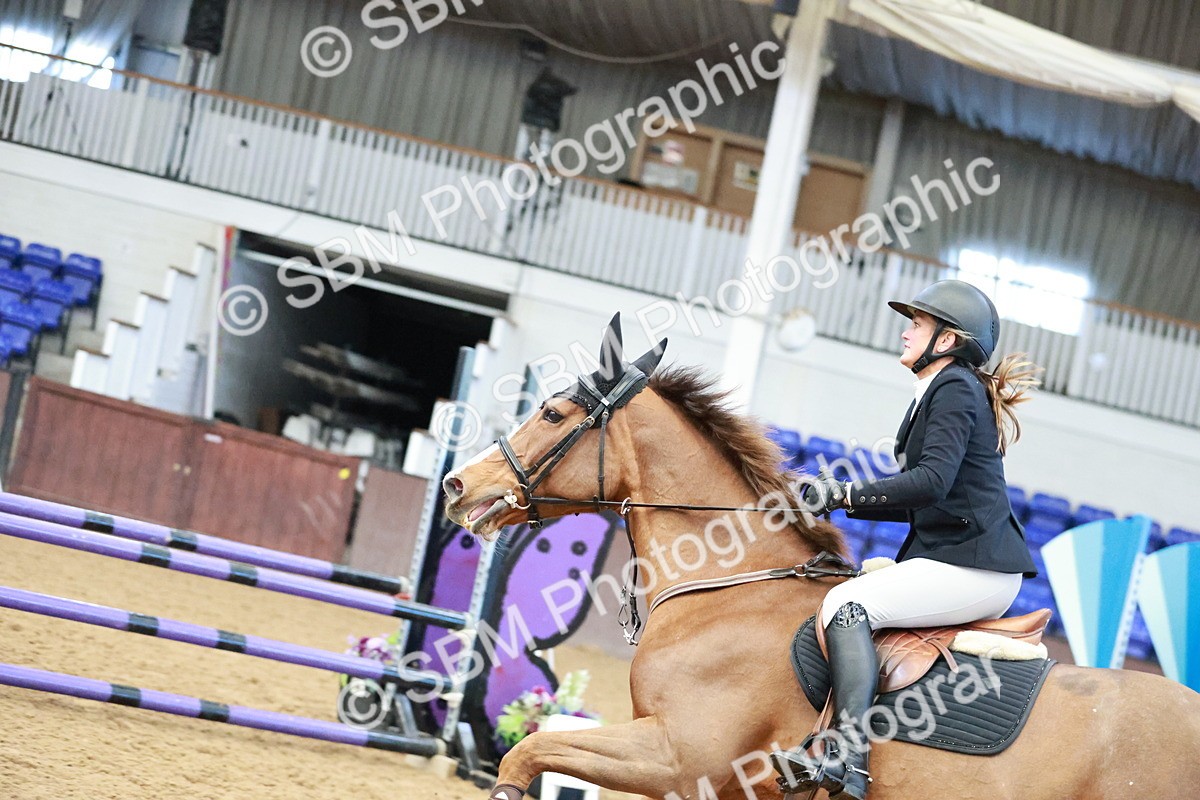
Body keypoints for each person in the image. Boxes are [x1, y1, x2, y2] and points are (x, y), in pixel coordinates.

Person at [771, 280, 1041, 799]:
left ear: (946, 340)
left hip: (976, 566)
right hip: (961, 557)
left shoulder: (955, 387)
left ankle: (845, 758)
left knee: (847, 604)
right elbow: (929, 498)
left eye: (916, 324)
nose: (904, 332)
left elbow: (931, 481)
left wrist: (847, 490)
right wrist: (836, 499)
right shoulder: (940, 391)